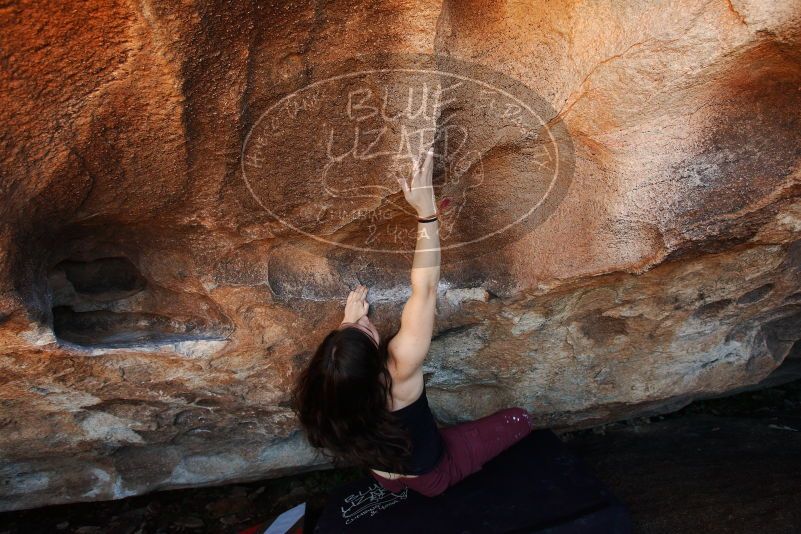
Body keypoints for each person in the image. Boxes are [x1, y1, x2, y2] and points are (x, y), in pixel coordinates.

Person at [291, 147, 534, 497]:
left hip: (384, 473)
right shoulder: (399, 371)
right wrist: (426, 214)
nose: (366, 323)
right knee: (520, 419)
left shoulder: (326, 396)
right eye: (366, 331)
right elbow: (425, 289)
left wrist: (349, 327)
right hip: (431, 475)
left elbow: (342, 365)